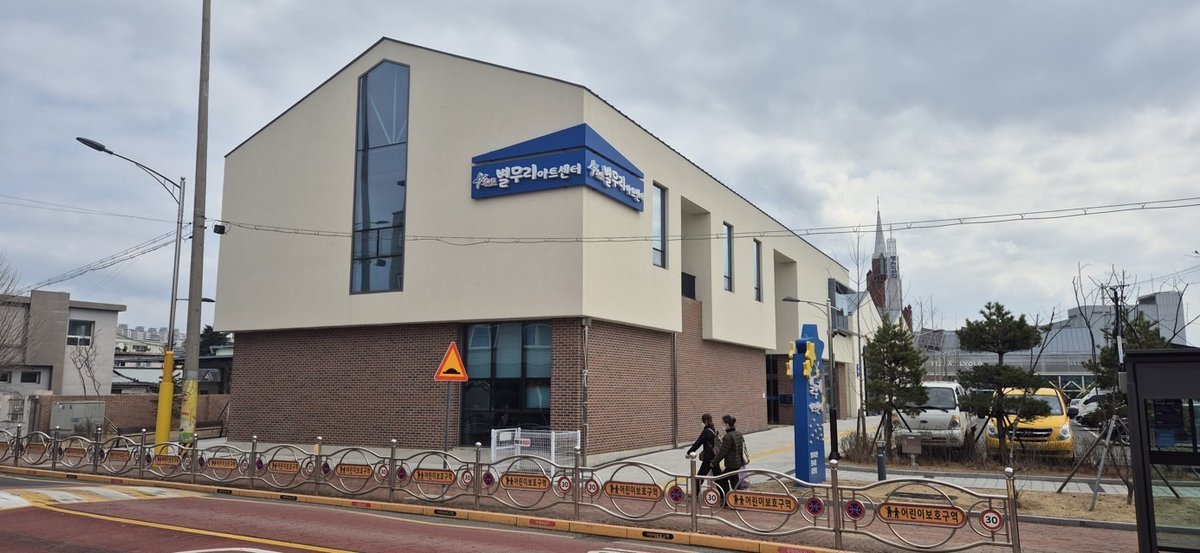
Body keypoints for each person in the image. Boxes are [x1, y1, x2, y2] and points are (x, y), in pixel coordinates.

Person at [712, 414, 746, 494]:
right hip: (738, 462)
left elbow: (722, 453)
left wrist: (713, 462)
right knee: (735, 482)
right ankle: (737, 497)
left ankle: (727, 497)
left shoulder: (728, 437)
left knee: (722, 480)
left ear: (727, 424)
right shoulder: (738, 434)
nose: (722, 426)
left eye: (723, 424)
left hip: (731, 464)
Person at [685, 413, 718, 494]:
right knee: (718, 477)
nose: (702, 423)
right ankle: (724, 494)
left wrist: (689, 453)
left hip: (708, 458)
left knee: (700, 476)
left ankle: (694, 493)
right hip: (715, 456)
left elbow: (698, 443)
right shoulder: (713, 429)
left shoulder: (706, 431)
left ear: (705, 421)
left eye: (702, 421)